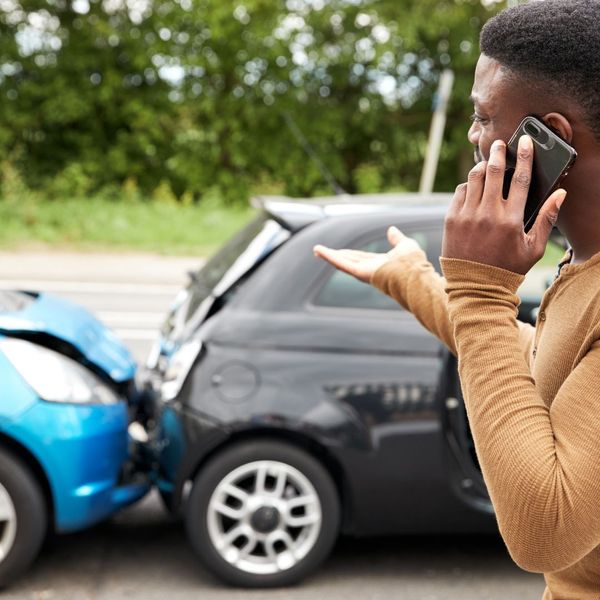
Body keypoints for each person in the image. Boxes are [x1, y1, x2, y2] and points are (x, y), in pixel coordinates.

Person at [314, 1, 600, 598]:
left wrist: (480, 288)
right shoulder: (584, 264)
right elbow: (546, 361)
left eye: (483, 116)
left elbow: (544, 531)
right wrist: (416, 281)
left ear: (550, 137)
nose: (474, 137)